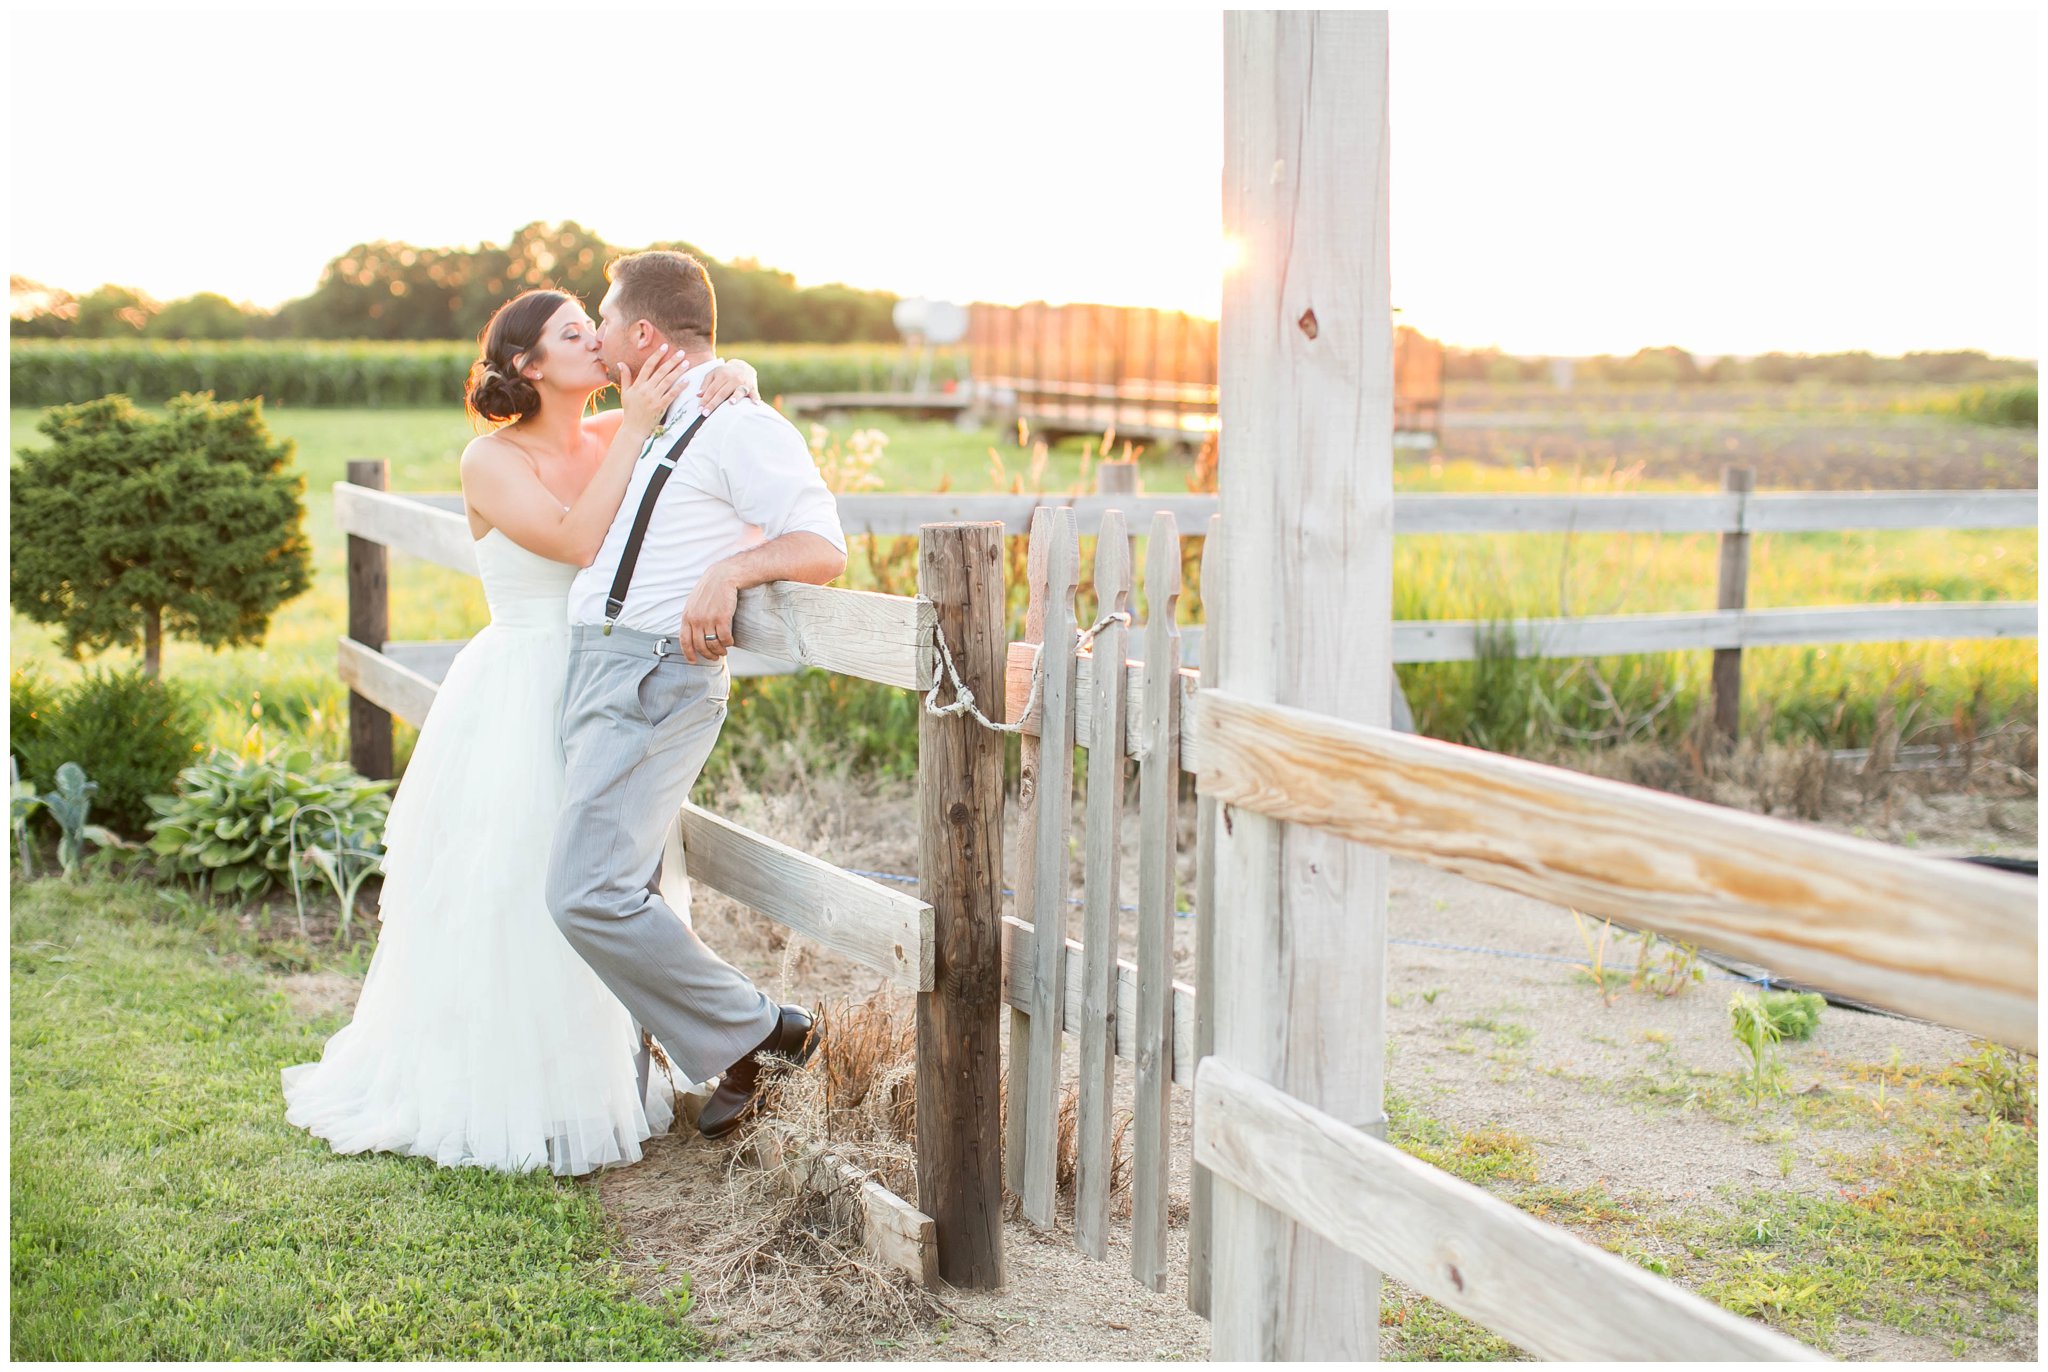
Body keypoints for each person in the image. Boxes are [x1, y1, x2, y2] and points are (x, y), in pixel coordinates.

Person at [282, 288, 761, 1176]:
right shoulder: (489, 461)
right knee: (511, 882)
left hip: (614, 681)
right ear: (530, 366)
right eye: (574, 334)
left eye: (596, 327)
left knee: (606, 877)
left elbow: (713, 414)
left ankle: (602, 1079)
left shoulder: (631, 425)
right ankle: (499, 1090)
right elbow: (580, 543)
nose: (598, 341)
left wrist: (734, 372)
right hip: (519, 688)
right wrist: (634, 427)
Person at [547, 250, 846, 1141]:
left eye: (602, 320)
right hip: (603, 670)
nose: (595, 335)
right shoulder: (667, 412)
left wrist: (733, 569)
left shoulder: (738, 422)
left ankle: (764, 1034)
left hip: (652, 677)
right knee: (617, 882)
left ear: (642, 333)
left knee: (585, 891)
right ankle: (661, 1072)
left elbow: (822, 545)